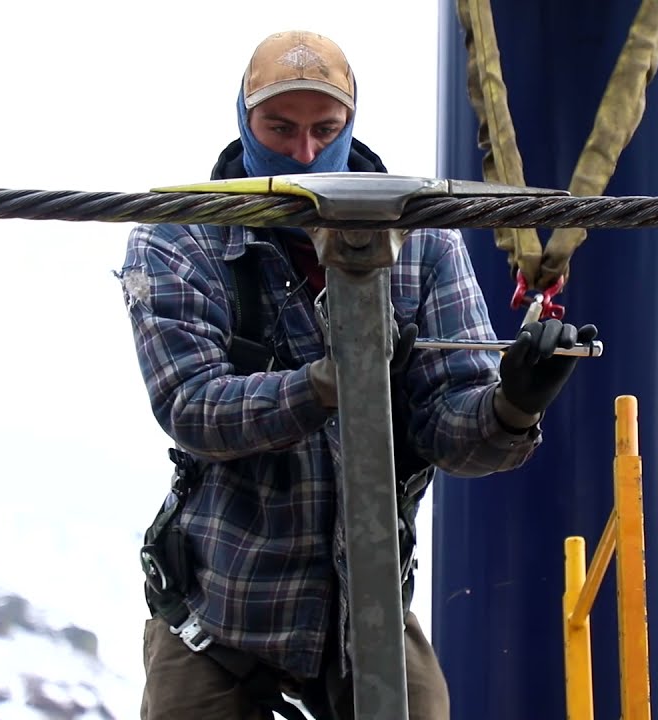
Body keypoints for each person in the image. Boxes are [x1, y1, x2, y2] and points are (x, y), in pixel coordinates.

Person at [118, 29, 597, 720]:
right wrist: (324, 384)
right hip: (219, 613)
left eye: (326, 129)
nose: (305, 152)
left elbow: (449, 426)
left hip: (364, 605)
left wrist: (514, 403)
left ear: (352, 122)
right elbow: (192, 409)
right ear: (242, 118)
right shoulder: (179, 235)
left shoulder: (425, 239)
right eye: (279, 129)